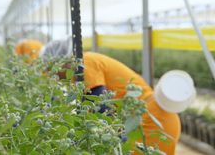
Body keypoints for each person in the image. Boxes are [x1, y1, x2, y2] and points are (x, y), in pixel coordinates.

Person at [40, 39, 186, 155]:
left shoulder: (85, 63)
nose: (54, 76)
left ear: (59, 63)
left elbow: (100, 106)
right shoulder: (79, 72)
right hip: (150, 117)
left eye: (51, 70)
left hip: (152, 120)